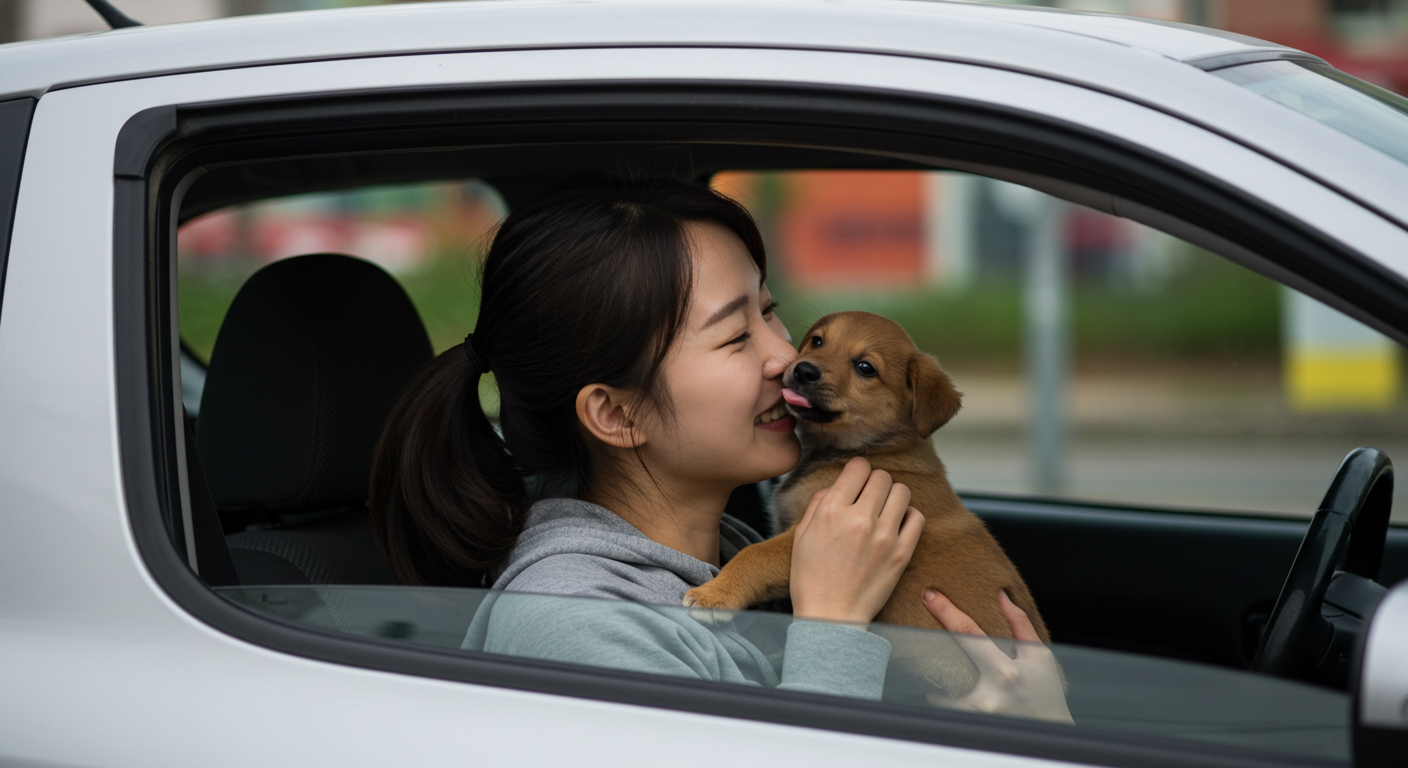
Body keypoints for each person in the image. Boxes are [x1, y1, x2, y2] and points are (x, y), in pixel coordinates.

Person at [371, 176, 1069, 720]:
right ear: (616, 414)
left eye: (769, 311)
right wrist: (830, 630)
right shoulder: (577, 624)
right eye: (736, 336)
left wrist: (1035, 724)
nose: (787, 357)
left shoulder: (731, 552)